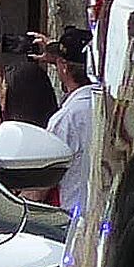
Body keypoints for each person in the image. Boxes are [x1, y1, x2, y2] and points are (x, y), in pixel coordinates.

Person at [44, 27, 100, 223]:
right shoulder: (114, 107)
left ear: (63, 66)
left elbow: (40, 186)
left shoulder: (67, 119)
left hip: (73, 222)